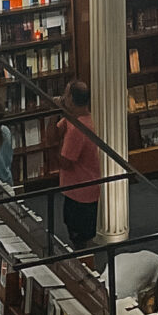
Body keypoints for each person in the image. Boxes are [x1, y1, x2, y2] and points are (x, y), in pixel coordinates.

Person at [53, 81, 101, 251]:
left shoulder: (77, 128)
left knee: (79, 239)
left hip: (79, 191)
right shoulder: (83, 118)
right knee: (80, 235)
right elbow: (55, 131)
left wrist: (58, 146)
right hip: (82, 189)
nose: (63, 98)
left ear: (72, 99)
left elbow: (65, 161)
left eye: (66, 95)